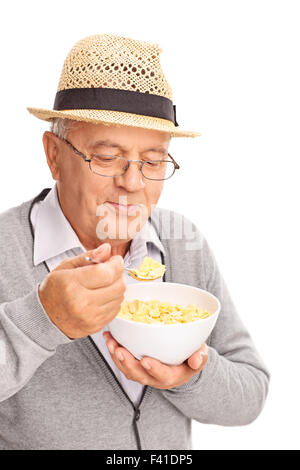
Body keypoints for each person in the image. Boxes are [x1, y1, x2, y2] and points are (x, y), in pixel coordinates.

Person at [0, 34, 269, 450]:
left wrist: (191, 374)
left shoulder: (185, 243)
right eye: (107, 157)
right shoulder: (5, 247)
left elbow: (251, 394)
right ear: (53, 155)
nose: (132, 183)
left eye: (154, 161)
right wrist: (42, 320)